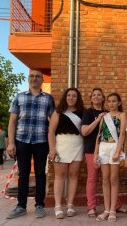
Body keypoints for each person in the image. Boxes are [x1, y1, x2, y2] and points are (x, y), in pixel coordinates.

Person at [6, 69, 55, 219]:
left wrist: (53, 145)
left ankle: (39, 205)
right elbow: (12, 121)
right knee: (23, 174)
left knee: (40, 174)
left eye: (38, 76)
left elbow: (53, 120)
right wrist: (11, 143)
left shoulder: (48, 98)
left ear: (41, 80)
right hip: (22, 141)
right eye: (32, 76)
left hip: (41, 141)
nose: (34, 78)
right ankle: (21, 206)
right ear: (28, 79)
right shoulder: (19, 97)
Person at [48, 88, 84, 219]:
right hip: (61, 144)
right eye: (69, 95)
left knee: (74, 175)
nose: (71, 98)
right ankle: (58, 206)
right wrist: (52, 148)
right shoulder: (58, 112)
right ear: (65, 97)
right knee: (60, 176)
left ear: (77, 98)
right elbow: (51, 131)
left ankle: (70, 205)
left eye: (74, 96)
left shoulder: (82, 112)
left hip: (78, 144)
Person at [93, 93, 127, 222]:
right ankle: (106, 209)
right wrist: (96, 153)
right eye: (109, 101)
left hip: (114, 147)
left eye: (114, 101)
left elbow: (123, 133)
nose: (111, 104)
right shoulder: (104, 116)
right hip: (103, 147)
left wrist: (118, 150)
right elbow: (99, 135)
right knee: (105, 179)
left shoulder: (122, 115)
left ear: (118, 103)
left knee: (113, 179)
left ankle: (113, 209)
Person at [81, 87, 107, 218]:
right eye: (94, 95)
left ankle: (114, 205)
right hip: (91, 149)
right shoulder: (88, 113)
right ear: (91, 98)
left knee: (109, 178)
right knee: (92, 178)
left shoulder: (108, 112)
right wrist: (98, 119)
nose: (97, 97)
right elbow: (84, 131)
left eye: (99, 95)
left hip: (107, 150)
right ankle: (91, 207)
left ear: (103, 98)